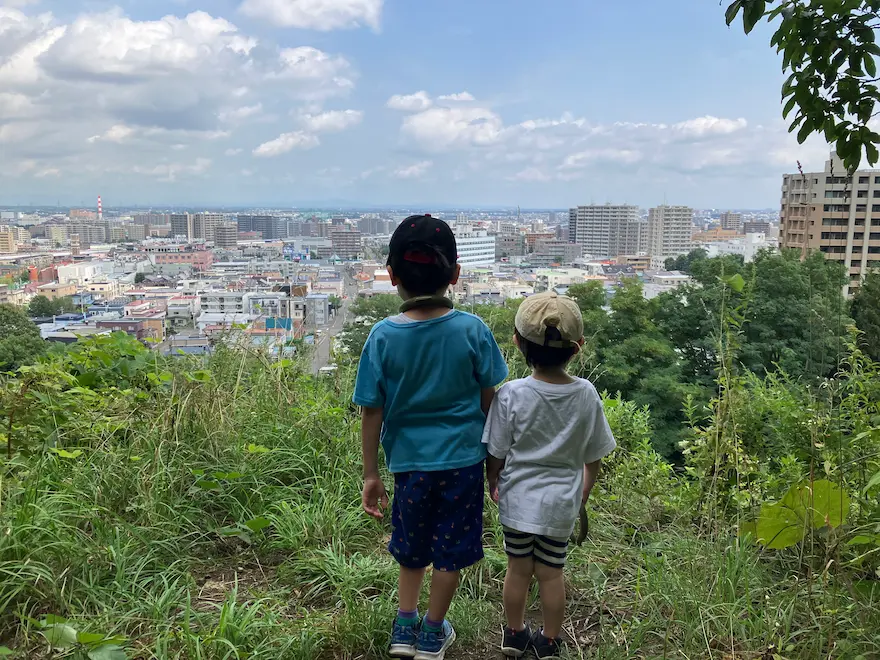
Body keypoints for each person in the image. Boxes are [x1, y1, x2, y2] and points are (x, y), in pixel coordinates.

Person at [354, 214, 509, 660]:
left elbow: (372, 411)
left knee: (412, 547)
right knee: (449, 553)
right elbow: (490, 401)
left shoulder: (382, 337)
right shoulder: (472, 330)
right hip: (462, 463)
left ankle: (405, 625)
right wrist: (495, 461)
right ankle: (432, 631)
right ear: (455, 275)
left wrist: (370, 473)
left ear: (392, 276)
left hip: (408, 465)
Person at [483, 291, 616, 660]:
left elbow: (495, 451)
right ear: (578, 348)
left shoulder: (510, 394)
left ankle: (514, 634)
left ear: (517, 342)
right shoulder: (586, 394)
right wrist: (583, 494)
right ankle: (549, 641)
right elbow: (595, 456)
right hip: (560, 507)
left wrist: (493, 480)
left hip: (518, 503)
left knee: (518, 570)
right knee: (551, 574)